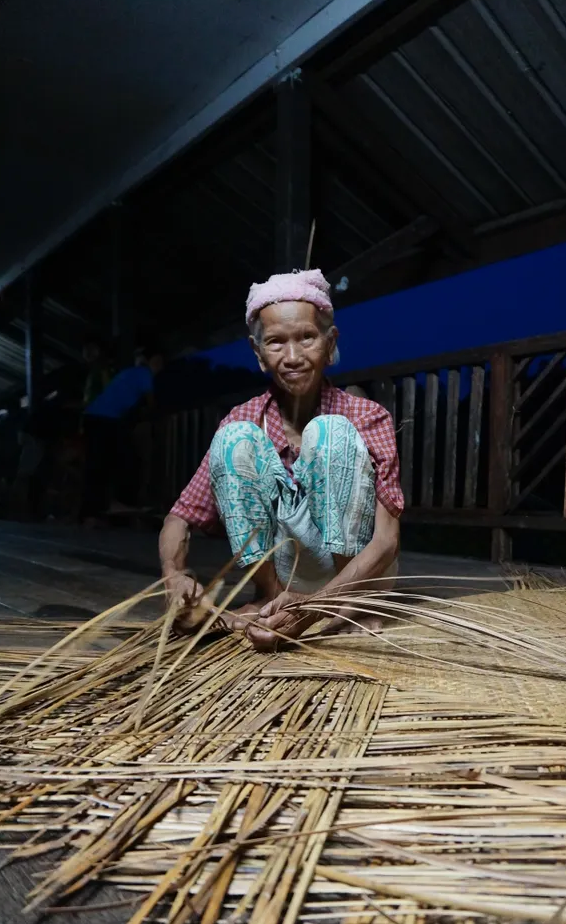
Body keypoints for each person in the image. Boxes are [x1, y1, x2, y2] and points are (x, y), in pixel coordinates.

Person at [160, 268, 403, 651]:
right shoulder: (244, 419)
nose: (292, 357)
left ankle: (349, 606)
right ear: (258, 354)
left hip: (359, 578)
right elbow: (180, 518)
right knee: (234, 438)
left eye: (307, 337)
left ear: (330, 343)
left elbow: (387, 540)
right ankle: (271, 598)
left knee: (329, 431)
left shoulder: (366, 416)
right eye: (275, 342)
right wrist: (173, 576)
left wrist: (313, 609)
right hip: (289, 578)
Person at [80, 346, 164, 522]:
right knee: (122, 460)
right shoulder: (144, 374)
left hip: (97, 417)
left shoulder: (131, 373)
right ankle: (115, 504)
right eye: (157, 362)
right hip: (104, 419)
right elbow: (151, 402)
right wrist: (158, 420)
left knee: (100, 463)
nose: (159, 366)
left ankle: (96, 510)